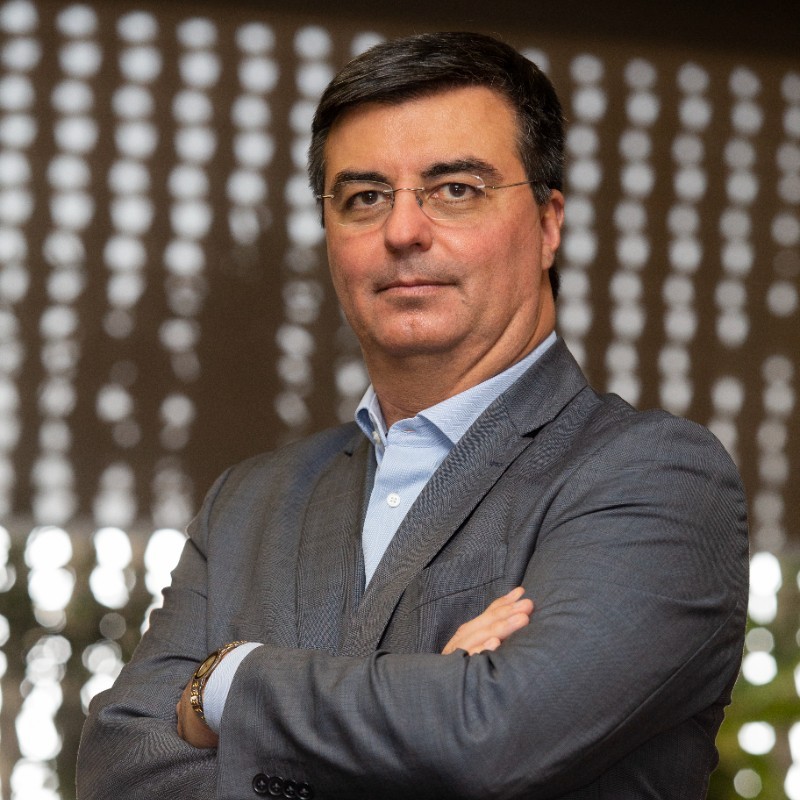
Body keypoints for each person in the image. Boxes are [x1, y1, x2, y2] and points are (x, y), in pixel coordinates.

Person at [76, 31, 749, 800]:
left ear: (548, 224)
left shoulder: (655, 478)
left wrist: (226, 682)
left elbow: (490, 739)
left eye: (455, 189)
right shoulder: (248, 503)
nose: (402, 231)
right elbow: (118, 767)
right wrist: (425, 711)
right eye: (364, 197)